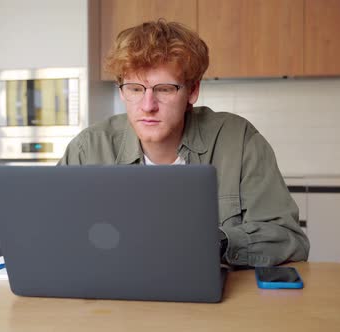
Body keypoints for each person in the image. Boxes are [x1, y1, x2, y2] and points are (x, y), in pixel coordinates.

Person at [58, 19, 309, 267]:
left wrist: (216, 242)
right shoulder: (87, 149)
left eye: (164, 89)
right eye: (135, 89)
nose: (148, 106)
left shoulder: (239, 141)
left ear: (193, 91)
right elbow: (50, 232)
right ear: (122, 91)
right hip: (114, 299)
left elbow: (289, 239)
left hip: (215, 303)